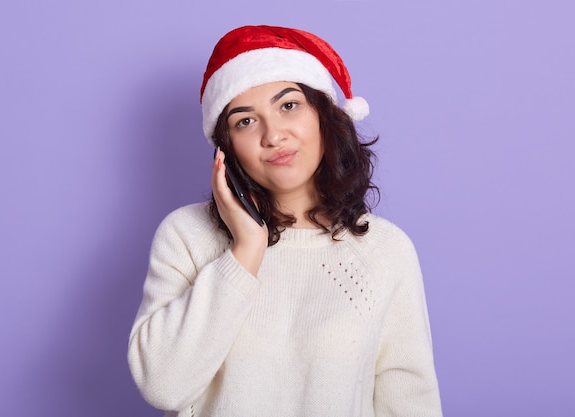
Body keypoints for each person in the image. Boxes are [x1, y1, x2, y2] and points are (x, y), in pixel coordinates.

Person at [128, 25, 443, 417]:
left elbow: (410, 403)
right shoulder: (187, 236)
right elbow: (163, 386)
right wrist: (245, 251)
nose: (273, 135)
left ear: (323, 115)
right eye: (245, 121)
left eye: (288, 106)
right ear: (226, 149)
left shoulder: (386, 251)